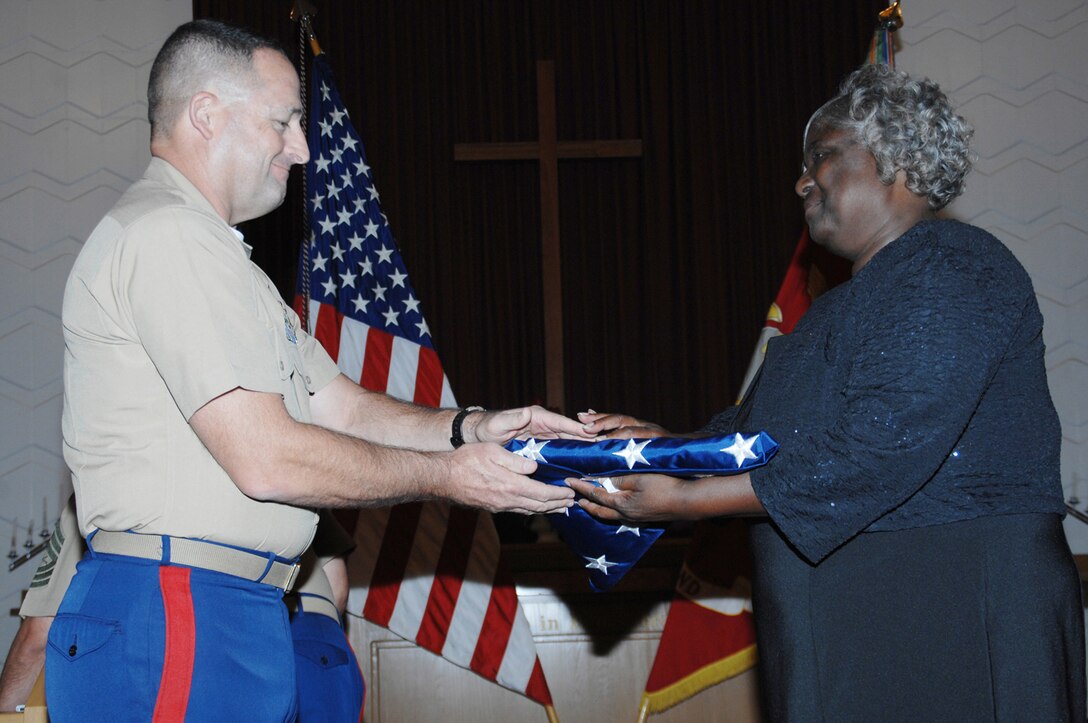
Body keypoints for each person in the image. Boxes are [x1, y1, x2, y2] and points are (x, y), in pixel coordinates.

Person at [48, 18, 591, 722]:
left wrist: (471, 426)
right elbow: (267, 458)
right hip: (173, 609)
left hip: (231, 608)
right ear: (206, 114)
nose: (301, 149)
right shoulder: (168, 235)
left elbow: (345, 407)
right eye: (283, 121)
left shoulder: (227, 264)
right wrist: (452, 479)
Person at [571, 63, 1085, 722]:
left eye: (822, 157)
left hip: (953, 614)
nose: (801, 179)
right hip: (849, 627)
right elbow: (754, 434)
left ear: (896, 159)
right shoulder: (828, 314)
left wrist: (688, 496)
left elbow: (885, 439)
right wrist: (660, 449)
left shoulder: (958, 264)